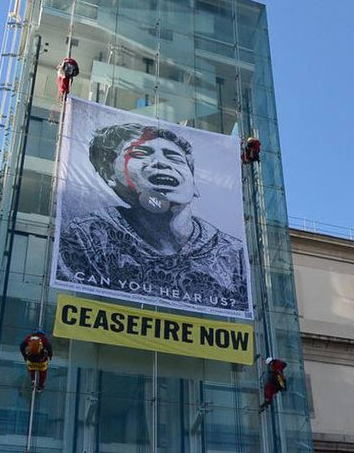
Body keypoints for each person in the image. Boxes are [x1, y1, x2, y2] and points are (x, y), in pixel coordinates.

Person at [56, 121, 249, 316]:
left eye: (174, 157)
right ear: (109, 175)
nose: (161, 163)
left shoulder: (235, 253)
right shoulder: (85, 236)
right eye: (140, 154)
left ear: (193, 183)